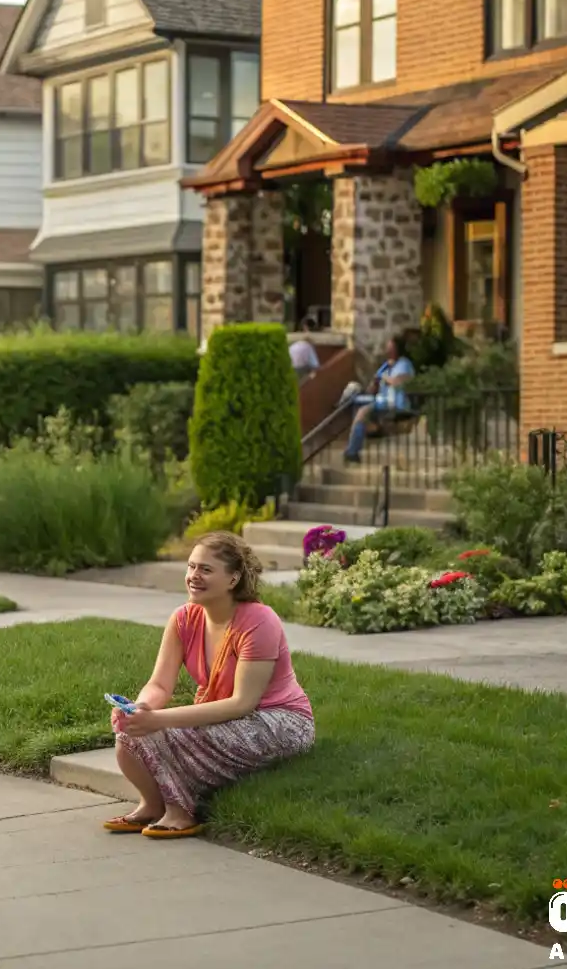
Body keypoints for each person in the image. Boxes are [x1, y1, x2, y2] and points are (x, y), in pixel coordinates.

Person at [104, 531, 315, 838]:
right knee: (128, 734)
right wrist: (141, 707)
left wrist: (159, 719)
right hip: (228, 716)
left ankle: (181, 811)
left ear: (233, 579)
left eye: (205, 569)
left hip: (279, 721)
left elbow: (243, 703)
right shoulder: (183, 619)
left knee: (166, 734)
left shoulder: (259, 620)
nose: (193, 576)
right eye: (191, 567)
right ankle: (151, 805)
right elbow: (159, 685)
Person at [340, 335, 416, 463]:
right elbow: (373, 387)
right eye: (387, 347)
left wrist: (384, 378)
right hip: (381, 400)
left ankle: (353, 451)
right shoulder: (386, 365)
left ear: (398, 349)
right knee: (354, 401)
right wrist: (374, 384)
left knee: (363, 412)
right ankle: (371, 430)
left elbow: (398, 382)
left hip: (396, 403)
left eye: (390, 347)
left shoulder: (404, 364)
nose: (387, 350)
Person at [288, 316, 321, 386]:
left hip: (290, 367)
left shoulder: (294, 345)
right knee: (311, 370)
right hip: (299, 369)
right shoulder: (308, 347)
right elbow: (315, 365)